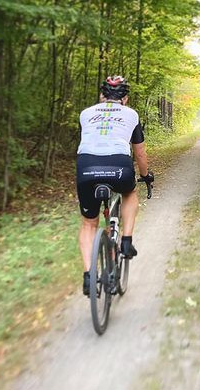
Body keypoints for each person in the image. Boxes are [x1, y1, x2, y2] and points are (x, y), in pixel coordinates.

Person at [76, 75, 154, 295]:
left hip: (86, 166)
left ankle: (88, 276)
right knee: (129, 193)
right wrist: (145, 175)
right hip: (119, 165)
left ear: (102, 96)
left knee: (88, 224)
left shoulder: (86, 113)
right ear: (125, 99)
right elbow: (139, 151)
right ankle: (126, 241)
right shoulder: (131, 114)